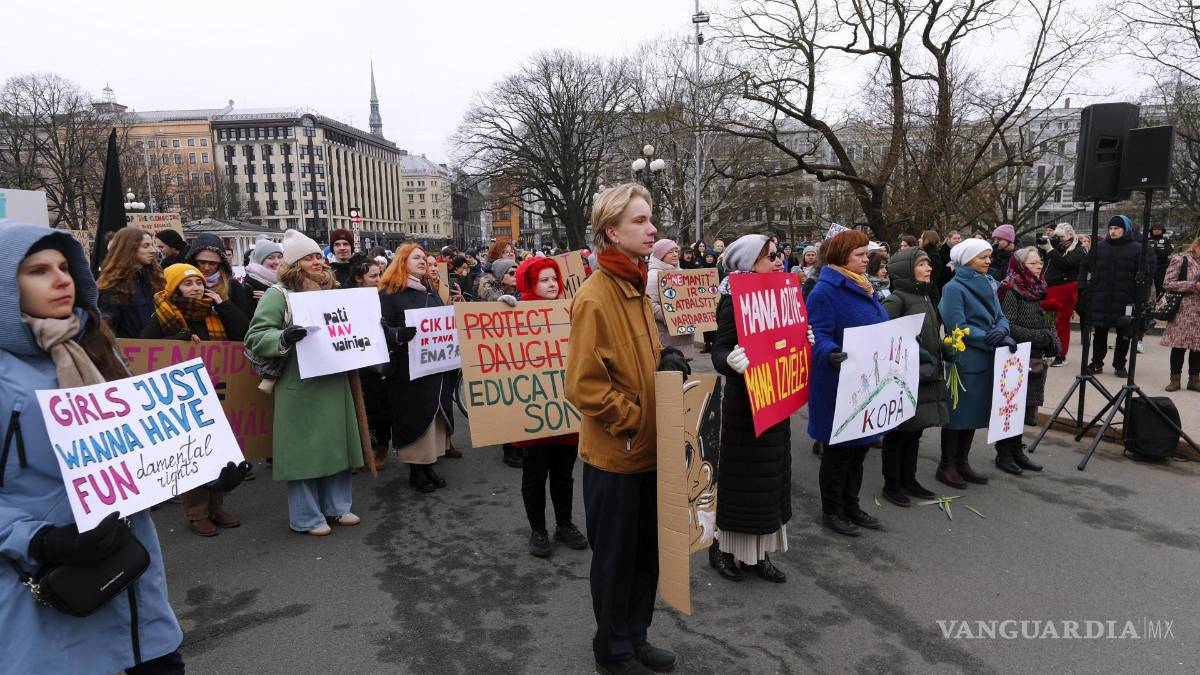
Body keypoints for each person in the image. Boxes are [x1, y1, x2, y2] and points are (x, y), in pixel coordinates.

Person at [0, 220, 213, 673]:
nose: (61, 279)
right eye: (38, 270)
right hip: (46, 598)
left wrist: (203, 465)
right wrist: (43, 540)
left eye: (64, 266)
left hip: (134, 586)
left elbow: (138, 448)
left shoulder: (96, 345)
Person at [565, 183, 685, 675]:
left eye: (650, 218)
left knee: (645, 556)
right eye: (639, 221)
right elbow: (584, 386)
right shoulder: (596, 296)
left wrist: (667, 361)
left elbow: (638, 360)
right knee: (615, 561)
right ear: (611, 232)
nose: (652, 228)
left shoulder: (635, 285)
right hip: (617, 456)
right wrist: (637, 419)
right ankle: (611, 651)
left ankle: (635, 637)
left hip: (651, 452)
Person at [244, 229, 365, 535]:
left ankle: (338, 507)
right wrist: (283, 336)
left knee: (337, 446)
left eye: (317, 256)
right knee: (305, 452)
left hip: (334, 379)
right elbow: (256, 336)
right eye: (309, 257)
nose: (317, 262)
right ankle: (308, 516)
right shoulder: (278, 294)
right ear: (296, 263)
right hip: (299, 383)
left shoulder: (332, 289)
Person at [140, 263, 249, 534]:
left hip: (217, 390)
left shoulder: (214, 312)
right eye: (188, 284)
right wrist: (179, 340)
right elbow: (143, 349)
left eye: (199, 282)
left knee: (219, 451)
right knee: (193, 454)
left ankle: (216, 506)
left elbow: (243, 333)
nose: (196, 288)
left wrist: (223, 305)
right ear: (174, 287)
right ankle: (197, 512)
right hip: (183, 398)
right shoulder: (163, 315)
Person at [709, 234, 791, 582]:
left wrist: (803, 341)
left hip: (778, 398)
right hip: (746, 407)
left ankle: (759, 555)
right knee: (743, 482)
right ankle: (723, 550)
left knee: (771, 481)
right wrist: (730, 360)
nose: (778, 260)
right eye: (769, 256)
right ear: (748, 263)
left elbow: (785, 338)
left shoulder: (784, 293)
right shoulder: (733, 300)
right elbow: (718, 349)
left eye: (777, 254)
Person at [806, 230, 890, 537]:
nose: (867, 260)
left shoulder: (865, 287)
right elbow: (817, 335)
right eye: (860, 255)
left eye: (867, 255)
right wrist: (829, 352)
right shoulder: (824, 291)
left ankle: (852, 505)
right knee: (838, 453)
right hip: (838, 383)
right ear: (842, 256)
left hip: (865, 383)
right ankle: (833, 511)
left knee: (859, 451)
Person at [507, 257, 590, 557]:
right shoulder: (515, 312)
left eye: (554, 278)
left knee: (564, 474)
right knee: (534, 475)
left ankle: (564, 524)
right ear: (530, 283)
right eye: (544, 280)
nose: (552, 284)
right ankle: (538, 529)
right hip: (534, 416)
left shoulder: (569, 310)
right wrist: (504, 309)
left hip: (565, 411)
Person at [378, 244, 459, 492]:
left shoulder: (431, 292)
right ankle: (416, 469)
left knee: (432, 414)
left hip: (433, 368)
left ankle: (428, 464)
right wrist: (397, 335)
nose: (423, 261)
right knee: (413, 416)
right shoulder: (389, 293)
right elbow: (379, 328)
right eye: (417, 258)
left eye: (424, 258)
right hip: (406, 370)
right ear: (403, 262)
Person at [938, 238, 1015, 489]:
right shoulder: (953, 288)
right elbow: (958, 327)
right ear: (967, 259)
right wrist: (989, 338)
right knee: (958, 414)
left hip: (986, 356)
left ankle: (962, 462)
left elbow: (1000, 316)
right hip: (965, 359)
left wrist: (1002, 331)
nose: (988, 261)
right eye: (983, 257)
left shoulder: (988, 282)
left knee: (973, 413)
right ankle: (946, 465)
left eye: (989, 256)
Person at [879, 247, 948, 506]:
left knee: (915, 430)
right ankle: (892, 483)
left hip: (924, 375)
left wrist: (945, 348)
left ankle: (910, 478)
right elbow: (887, 335)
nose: (929, 268)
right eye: (922, 264)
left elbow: (929, 333)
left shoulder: (927, 297)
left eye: (929, 264)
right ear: (906, 270)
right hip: (903, 376)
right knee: (898, 433)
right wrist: (919, 352)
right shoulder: (897, 299)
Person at [996, 248, 1060, 474]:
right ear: (1021, 266)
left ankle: (1017, 450)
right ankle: (1004, 453)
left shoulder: (1039, 287)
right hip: (1015, 355)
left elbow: (1049, 318)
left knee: (1025, 405)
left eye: (1039, 261)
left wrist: (1054, 342)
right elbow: (1008, 325)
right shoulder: (1011, 289)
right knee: (1011, 404)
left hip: (1036, 357)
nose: (1039, 265)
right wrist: (1038, 337)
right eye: (1033, 263)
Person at [1087, 216, 1152, 378]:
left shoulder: (1138, 249)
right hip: (1102, 297)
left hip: (1126, 299)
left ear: (1126, 230)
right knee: (1100, 332)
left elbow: (1146, 276)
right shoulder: (1100, 247)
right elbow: (1087, 269)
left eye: (1117, 228)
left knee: (1124, 334)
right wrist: (1086, 290)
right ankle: (1096, 363)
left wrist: (1141, 299)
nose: (1113, 231)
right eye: (1111, 228)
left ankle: (1119, 365)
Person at [350, 257, 395, 467]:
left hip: (379, 362)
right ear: (359, 278)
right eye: (373, 276)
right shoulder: (346, 299)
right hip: (357, 361)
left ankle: (381, 448)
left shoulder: (386, 297)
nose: (379, 280)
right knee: (362, 407)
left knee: (381, 407)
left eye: (380, 274)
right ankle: (363, 448)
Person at [96, 227, 164, 339]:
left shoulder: (154, 278)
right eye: (146, 246)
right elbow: (106, 331)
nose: (153, 250)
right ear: (129, 249)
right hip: (132, 352)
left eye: (152, 245)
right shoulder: (112, 286)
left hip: (158, 350)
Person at [1041, 223, 1087, 367]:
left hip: (1066, 289)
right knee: (1049, 321)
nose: (1059, 239)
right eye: (1056, 236)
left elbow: (1066, 263)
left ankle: (1060, 354)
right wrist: (1045, 249)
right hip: (1051, 288)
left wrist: (1050, 250)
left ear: (1071, 235)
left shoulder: (1079, 250)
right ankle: (1049, 350)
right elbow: (1049, 264)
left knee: (1061, 322)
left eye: (1061, 236)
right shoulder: (1057, 248)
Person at [1161, 234, 1200, 392]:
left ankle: (1194, 379)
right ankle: (1175, 379)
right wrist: (1193, 285)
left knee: (1198, 347)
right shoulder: (1181, 259)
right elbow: (1167, 283)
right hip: (1183, 310)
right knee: (1179, 346)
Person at [646, 239, 694, 360]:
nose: (675, 254)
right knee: (670, 369)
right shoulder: (653, 276)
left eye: (676, 251)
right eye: (670, 252)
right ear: (660, 255)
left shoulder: (682, 273)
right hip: (666, 335)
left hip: (684, 333)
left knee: (683, 371)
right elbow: (650, 304)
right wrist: (672, 316)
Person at [185, 233, 253, 318]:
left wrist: (223, 305)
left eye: (212, 263)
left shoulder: (233, 286)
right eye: (201, 262)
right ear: (193, 261)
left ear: (221, 264)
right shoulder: (182, 284)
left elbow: (243, 323)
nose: (206, 268)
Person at [243, 238, 284, 315]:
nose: (277, 262)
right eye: (270, 258)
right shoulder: (250, 285)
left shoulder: (287, 281)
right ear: (260, 261)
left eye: (280, 256)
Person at [1148, 224, 1173, 297]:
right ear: (1152, 231)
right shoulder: (1147, 240)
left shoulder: (1166, 240)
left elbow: (1169, 251)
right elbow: (1144, 252)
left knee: (1160, 287)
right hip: (1148, 267)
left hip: (1161, 267)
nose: (1157, 231)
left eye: (1159, 229)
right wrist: (1158, 251)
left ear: (1162, 231)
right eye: (1155, 229)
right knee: (1146, 287)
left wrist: (1155, 250)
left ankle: (1160, 303)